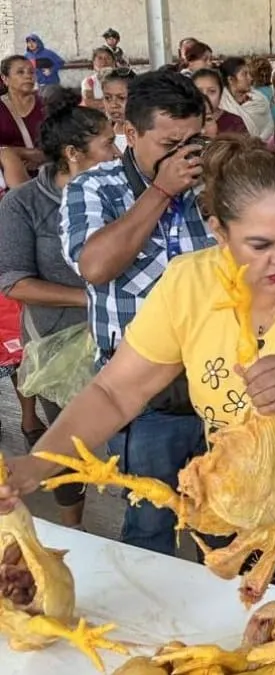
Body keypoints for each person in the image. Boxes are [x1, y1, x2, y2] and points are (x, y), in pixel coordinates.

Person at [5, 134, 275, 607]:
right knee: (241, 638)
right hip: (234, 513)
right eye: (261, 243)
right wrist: (39, 464)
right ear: (218, 231)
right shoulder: (188, 283)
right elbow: (116, 392)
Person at [57, 70, 215, 555]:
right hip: (142, 397)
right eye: (170, 142)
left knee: (227, 523)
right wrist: (161, 192)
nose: (185, 154)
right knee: (151, 528)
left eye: (195, 140)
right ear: (131, 134)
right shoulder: (95, 188)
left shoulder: (211, 182)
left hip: (218, 385)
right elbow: (96, 265)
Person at [0, 87, 116, 529]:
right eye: (106, 143)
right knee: (65, 439)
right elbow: (14, 281)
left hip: (121, 335)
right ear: (73, 153)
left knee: (130, 434)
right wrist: (89, 297)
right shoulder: (25, 204)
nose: (114, 151)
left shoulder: (120, 194)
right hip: (57, 341)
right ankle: (74, 526)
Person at [0, 55, 47, 169]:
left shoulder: (47, 105)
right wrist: (23, 153)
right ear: (5, 79)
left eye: (31, 72)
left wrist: (44, 157)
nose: (28, 76)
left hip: (47, 175)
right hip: (7, 177)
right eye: (20, 72)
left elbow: (64, 141)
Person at [219, 57, 274, 139]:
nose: (251, 78)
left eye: (249, 74)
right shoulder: (222, 105)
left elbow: (269, 127)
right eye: (244, 74)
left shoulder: (260, 100)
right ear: (231, 80)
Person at [192, 68, 250, 135]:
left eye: (212, 91)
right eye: (198, 91)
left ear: (221, 94)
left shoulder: (235, 123)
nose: (205, 96)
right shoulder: (185, 121)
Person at [101, 67, 135, 153]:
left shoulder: (144, 135)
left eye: (121, 98)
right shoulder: (100, 135)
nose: (113, 105)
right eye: (107, 98)